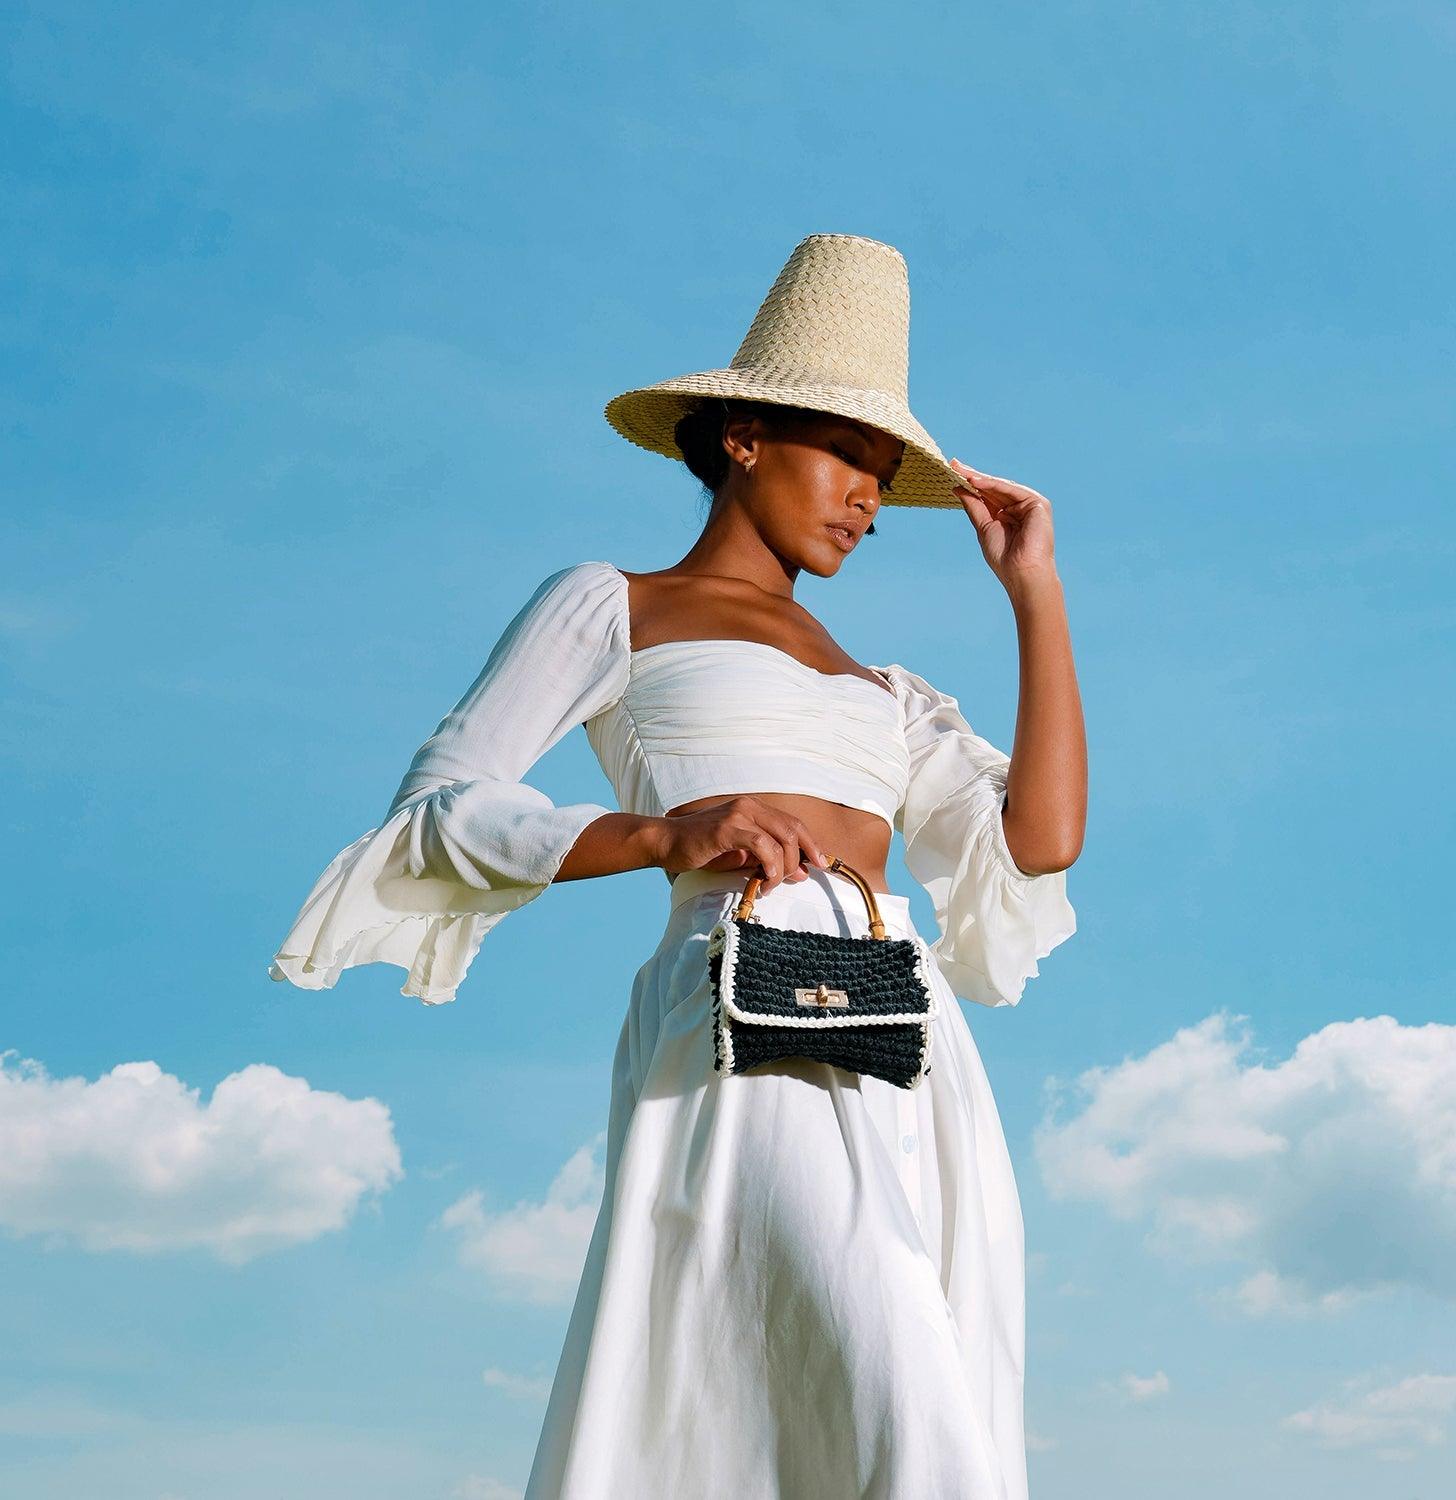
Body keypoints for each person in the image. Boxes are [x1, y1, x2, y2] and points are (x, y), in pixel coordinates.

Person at [268, 233, 1086, 1499]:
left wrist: (1036, 597)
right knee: (888, 1383)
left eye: (884, 475)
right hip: (743, 999)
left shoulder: (889, 692)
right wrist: (663, 833)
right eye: (848, 458)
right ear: (745, 435)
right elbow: (442, 803)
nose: (868, 499)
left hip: (906, 1034)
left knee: (933, 1374)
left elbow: (1040, 842)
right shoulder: (614, 603)